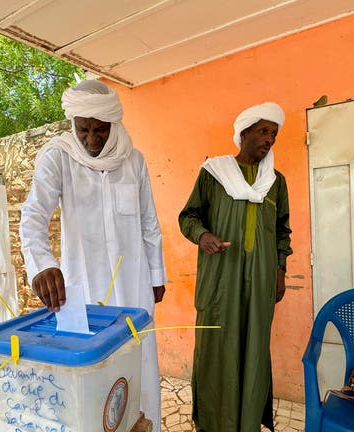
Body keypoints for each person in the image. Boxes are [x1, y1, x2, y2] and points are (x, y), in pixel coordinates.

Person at [20, 79, 167, 431]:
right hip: (85, 289)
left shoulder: (134, 160)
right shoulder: (58, 156)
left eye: (100, 130)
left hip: (134, 286)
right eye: (83, 129)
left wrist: (157, 275)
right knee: (93, 379)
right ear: (73, 124)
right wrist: (42, 265)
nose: (91, 139)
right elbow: (33, 218)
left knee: (139, 367)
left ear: (113, 124)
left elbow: (149, 223)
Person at [179, 102, 292, 431]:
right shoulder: (213, 173)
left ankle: (247, 423)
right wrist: (202, 237)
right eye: (262, 131)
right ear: (243, 133)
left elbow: (282, 230)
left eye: (274, 133)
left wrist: (279, 270)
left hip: (260, 280)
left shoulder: (275, 182)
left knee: (254, 346)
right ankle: (215, 422)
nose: (269, 139)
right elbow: (188, 216)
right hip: (220, 278)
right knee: (217, 345)